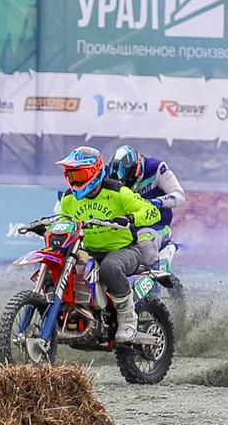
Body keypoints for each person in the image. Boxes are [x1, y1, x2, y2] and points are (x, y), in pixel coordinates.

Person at [46, 145, 166, 347]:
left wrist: (130, 218)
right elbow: (62, 220)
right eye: (70, 175)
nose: (74, 180)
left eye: (78, 174)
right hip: (88, 250)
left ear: (93, 172)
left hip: (125, 250)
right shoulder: (68, 198)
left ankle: (128, 319)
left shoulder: (119, 193)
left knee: (110, 268)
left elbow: (153, 212)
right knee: (58, 262)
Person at [108, 144, 184, 241]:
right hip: (122, 226)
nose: (126, 185)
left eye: (129, 180)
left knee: (144, 245)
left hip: (156, 225)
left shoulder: (156, 168)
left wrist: (157, 202)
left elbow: (179, 195)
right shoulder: (107, 174)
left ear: (137, 169)